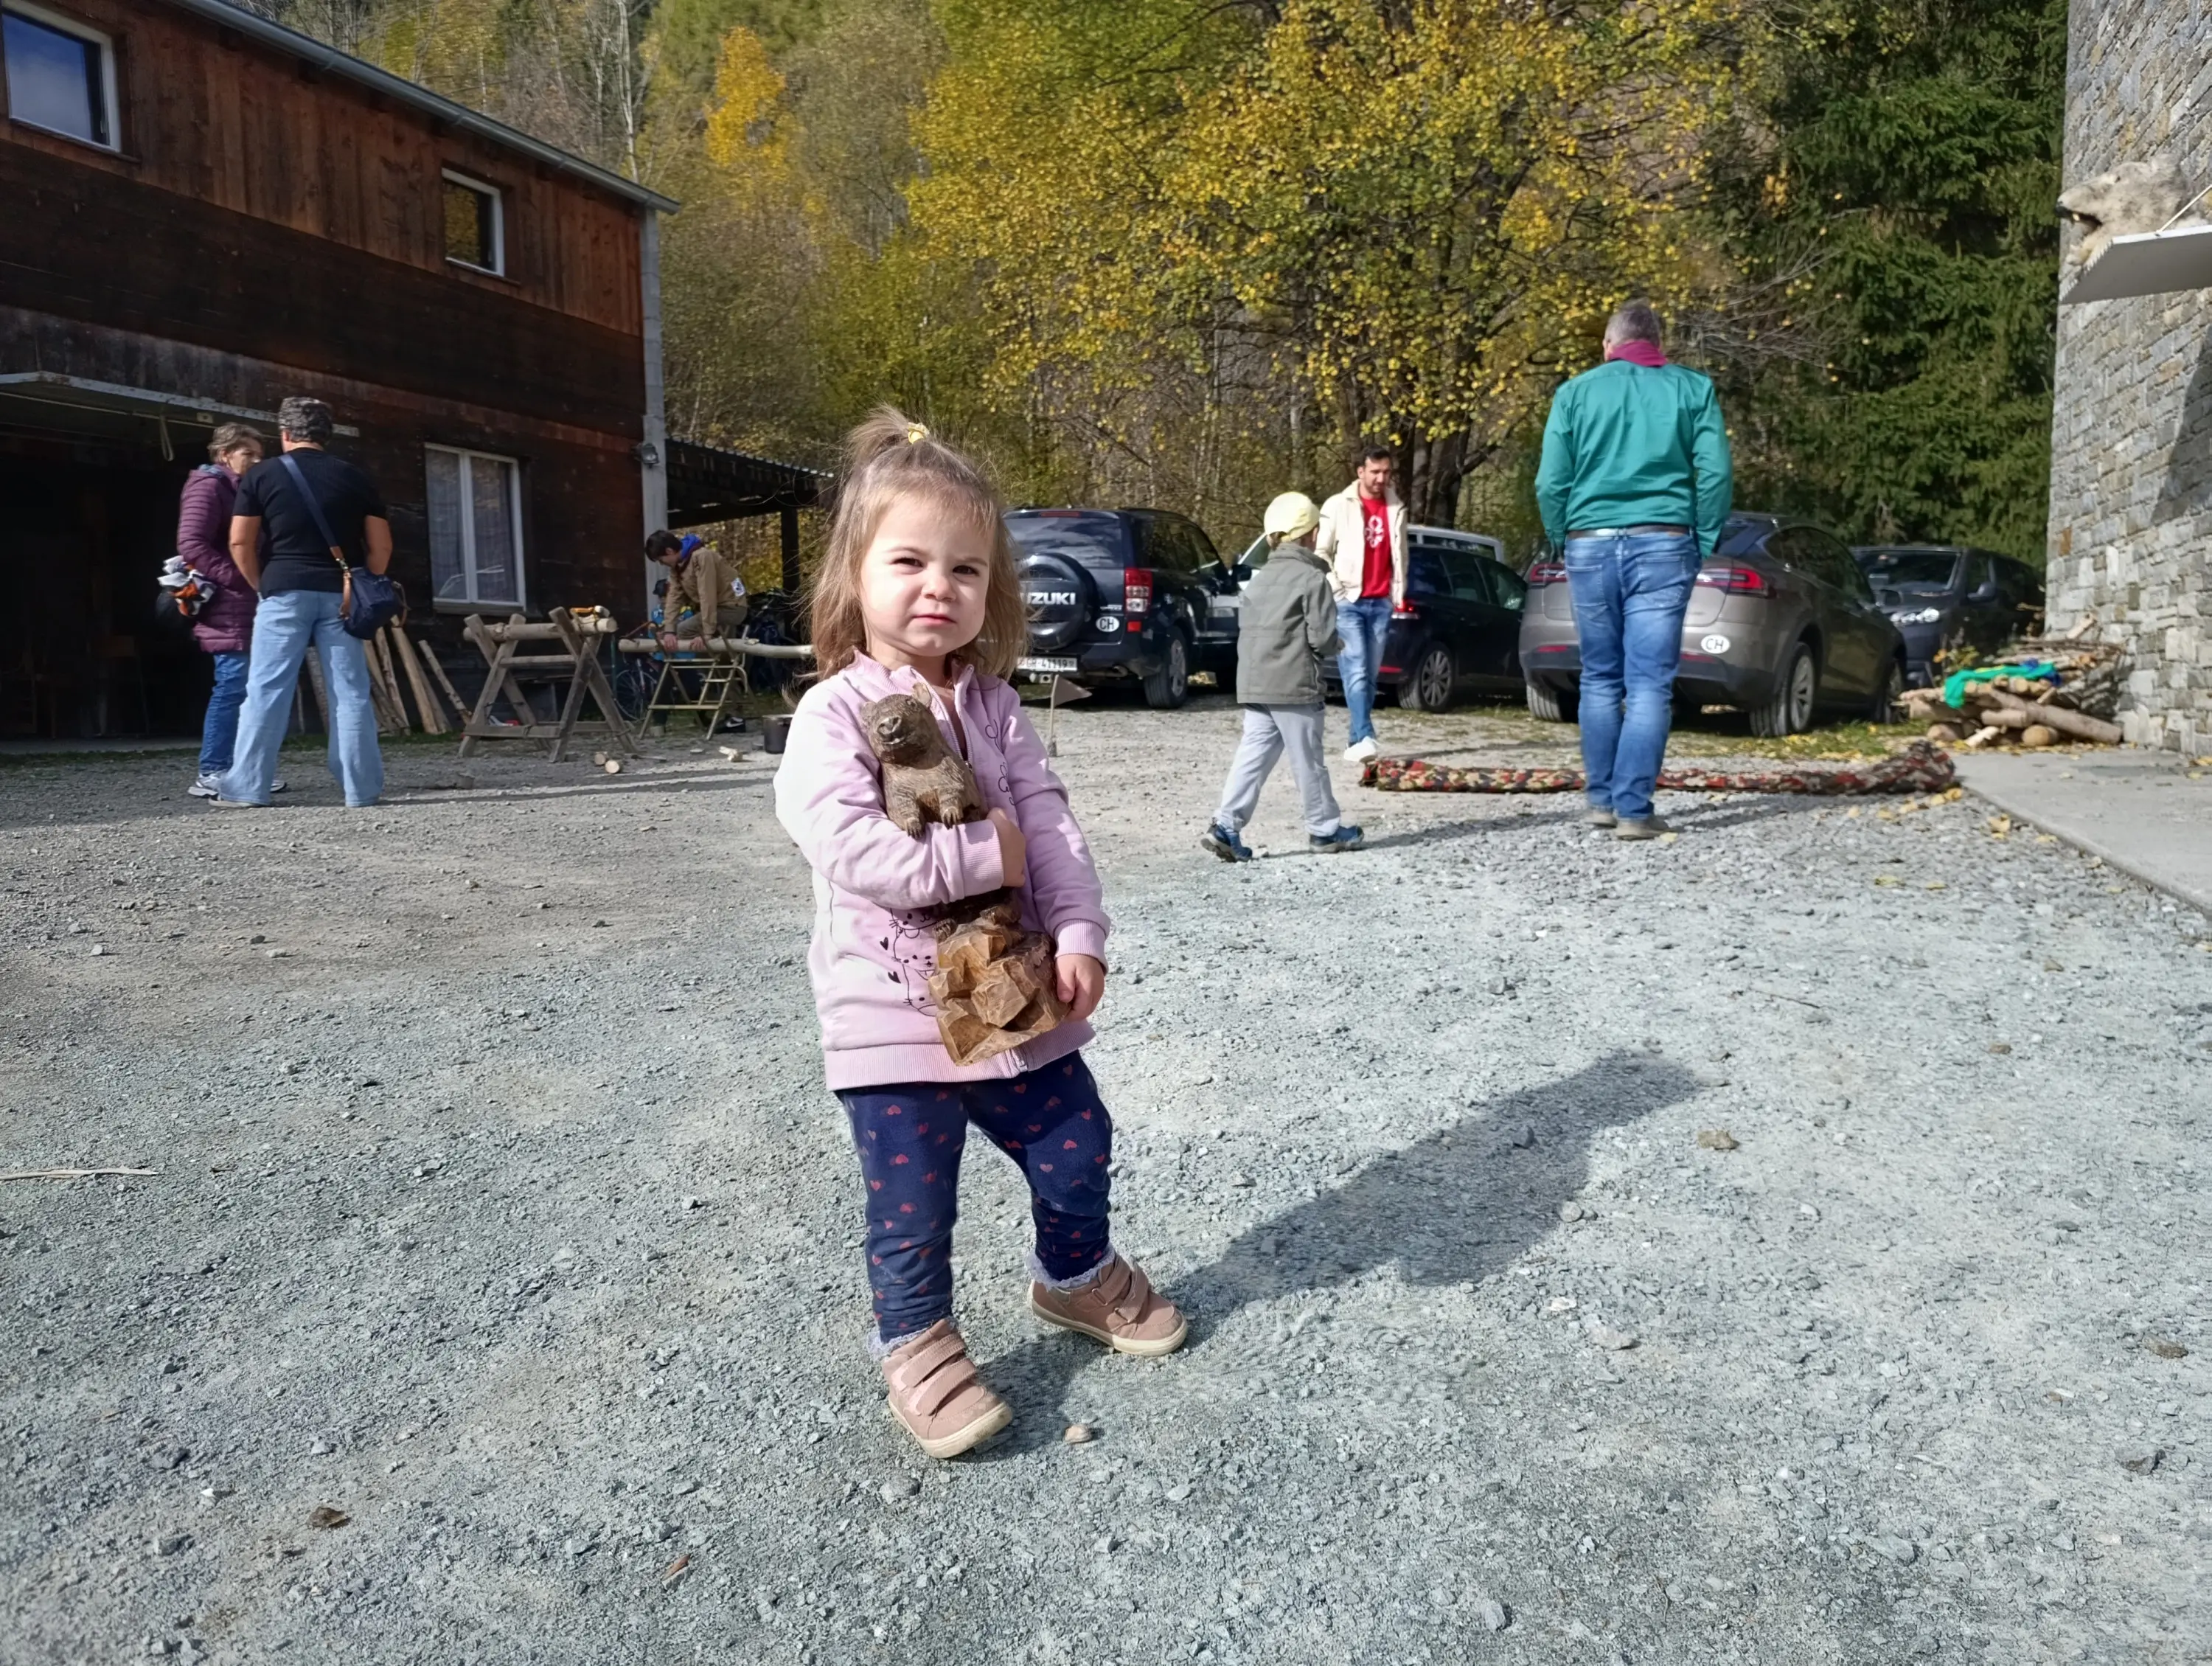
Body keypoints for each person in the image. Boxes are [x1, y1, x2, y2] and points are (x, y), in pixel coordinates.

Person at [775, 407, 1186, 1460]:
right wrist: (982, 856)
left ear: (991, 588)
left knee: (1076, 1141)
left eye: (964, 567)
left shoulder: (997, 705)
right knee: (914, 1199)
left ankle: (1072, 1272)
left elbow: (1047, 821)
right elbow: (854, 850)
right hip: (892, 1011)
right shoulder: (833, 714)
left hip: (1013, 995)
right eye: (908, 560)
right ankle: (913, 1334)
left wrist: (1080, 926)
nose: (936, 586)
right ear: (854, 574)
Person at [1534, 299, 1732, 840]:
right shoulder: (1693, 389)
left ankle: (1600, 800)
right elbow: (1714, 473)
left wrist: (1561, 537)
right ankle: (1633, 809)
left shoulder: (1575, 392)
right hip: (1665, 542)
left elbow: (1551, 482)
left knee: (1599, 676)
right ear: (1659, 344)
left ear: (1608, 344)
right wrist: (1705, 537)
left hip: (1590, 543)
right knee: (1649, 684)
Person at [215, 397, 392, 810]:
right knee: (350, 692)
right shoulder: (356, 478)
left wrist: (263, 584)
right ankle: (360, 790)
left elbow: (240, 541)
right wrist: (359, 583)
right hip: (342, 596)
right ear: (325, 435)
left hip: (283, 590)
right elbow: (380, 547)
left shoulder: (262, 475)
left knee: (266, 689)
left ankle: (248, 788)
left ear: (285, 434)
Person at [1200, 492, 1364, 860]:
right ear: (1309, 534)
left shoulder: (1258, 580)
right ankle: (1324, 831)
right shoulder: (1312, 579)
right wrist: (1338, 644)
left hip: (1256, 684)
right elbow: (1321, 639)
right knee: (1309, 761)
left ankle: (1226, 826)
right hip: (1294, 686)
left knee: (1252, 758)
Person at [175, 423, 285, 799]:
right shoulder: (209, 486)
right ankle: (213, 770)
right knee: (232, 684)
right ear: (225, 454)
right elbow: (191, 543)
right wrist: (238, 579)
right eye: (248, 453)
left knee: (253, 687)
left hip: (251, 602)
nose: (257, 460)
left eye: (260, 454)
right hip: (228, 603)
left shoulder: (243, 489)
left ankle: (247, 769)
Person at [1312, 445, 1407, 763]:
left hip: (1381, 602)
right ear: (1361, 472)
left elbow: (1399, 555)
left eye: (1386, 472)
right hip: (1349, 601)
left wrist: (1397, 593)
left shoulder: (1396, 508)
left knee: (1370, 674)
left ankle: (1355, 741)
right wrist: (1336, 590)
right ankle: (1366, 735)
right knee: (1355, 671)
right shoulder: (1339, 505)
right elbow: (1321, 552)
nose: (1381, 479)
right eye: (1375, 472)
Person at [646, 530, 747, 650]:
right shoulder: (677, 567)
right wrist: (669, 631)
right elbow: (674, 597)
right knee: (677, 632)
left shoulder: (702, 557)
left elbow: (707, 595)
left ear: (669, 551)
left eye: (661, 560)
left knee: (684, 630)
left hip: (731, 608)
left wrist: (707, 633)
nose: (661, 564)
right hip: (715, 611)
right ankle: (719, 662)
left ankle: (711, 663)